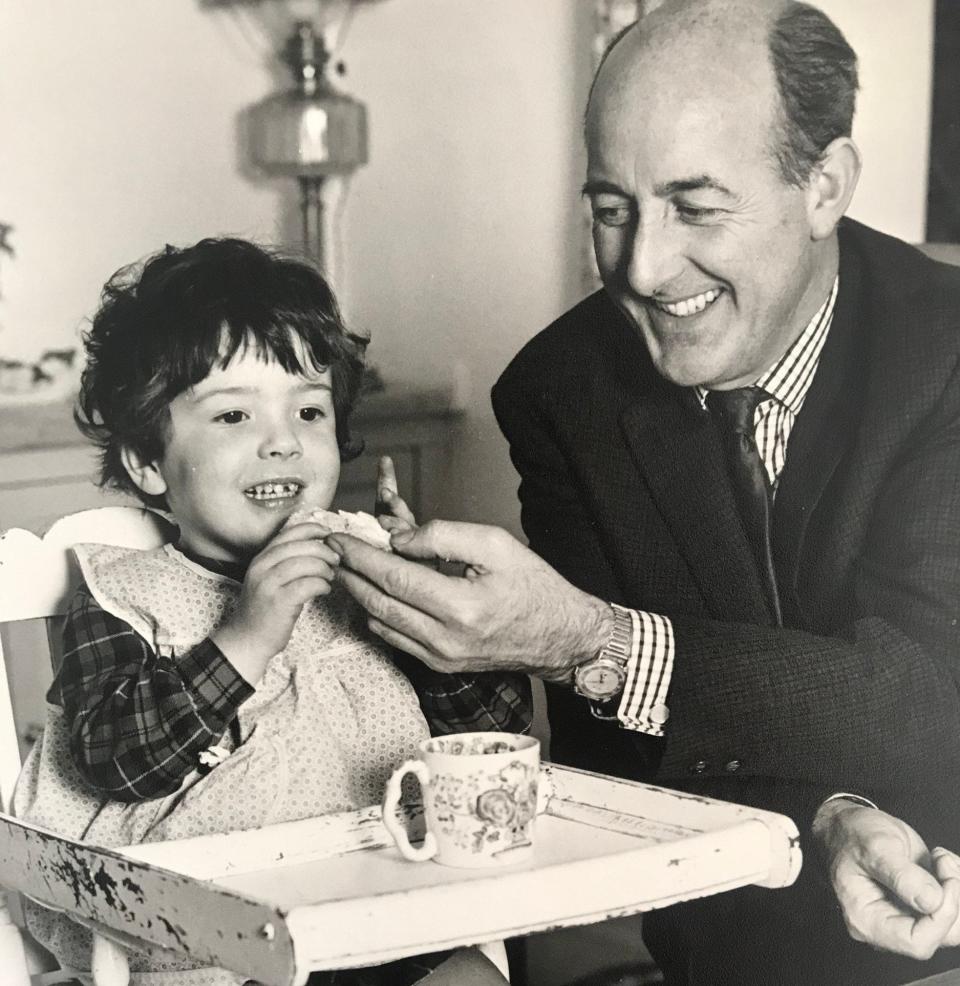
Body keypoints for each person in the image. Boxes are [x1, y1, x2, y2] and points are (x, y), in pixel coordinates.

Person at [326, 1, 960, 983]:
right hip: (735, 943)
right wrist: (825, 818)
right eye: (612, 207)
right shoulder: (560, 391)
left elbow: (933, 693)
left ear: (825, 184)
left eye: (696, 207)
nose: (641, 267)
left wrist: (593, 638)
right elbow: (620, 750)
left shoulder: (949, 355)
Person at [13, 237, 526, 985]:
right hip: (209, 942)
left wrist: (430, 616)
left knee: (475, 976)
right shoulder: (125, 593)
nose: (283, 442)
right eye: (232, 418)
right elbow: (111, 759)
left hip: (382, 910)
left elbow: (494, 735)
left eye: (309, 411)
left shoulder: (363, 569)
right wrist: (244, 639)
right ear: (147, 464)